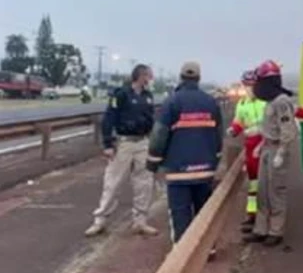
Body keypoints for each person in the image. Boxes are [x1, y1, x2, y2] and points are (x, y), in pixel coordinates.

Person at [145, 61, 224, 244]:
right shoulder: (211, 102)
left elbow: (158, 135)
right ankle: (207, 249)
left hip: (178, 170)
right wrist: (215, 161)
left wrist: (153, 163)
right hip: (205, 169)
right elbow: (218, 136)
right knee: (204, 212)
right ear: (198, 78)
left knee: (180, 214)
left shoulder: (172, 101)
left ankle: (181, 253)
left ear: (181, 78)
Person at [85, 64, 158, 237]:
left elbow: (151, 119)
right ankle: (100, 220)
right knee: (113, 182)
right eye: (148, 75)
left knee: (144, 183)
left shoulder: (148, 96)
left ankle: (140, 221)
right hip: (124, 143)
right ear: (141, 76)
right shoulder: (122, 94)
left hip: (143, 142)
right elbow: (109, 118)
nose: (150, 79)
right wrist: (108, 144)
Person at [243, 60, 301, 247]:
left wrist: (281, 152)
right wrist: (261, 144)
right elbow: (269, 127)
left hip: (277, 150)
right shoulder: (270, 102)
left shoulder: (281, 102)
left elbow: (288, 130)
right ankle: (260, 229)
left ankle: (276, 231)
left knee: (276, 191)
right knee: (262, 191)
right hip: (267, 147)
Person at [226, 70, 266, 233]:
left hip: (263, 143)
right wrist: (233, 130)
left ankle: (264, 217)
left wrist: (259, 130)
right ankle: (252, 215)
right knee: (253, 183)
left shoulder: (265, 102)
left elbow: (271, 123)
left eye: (251, 85)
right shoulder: (242, 104)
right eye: (246, 85)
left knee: (264, 183)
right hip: (250, 145)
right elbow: (239, 122)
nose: (249, 88)